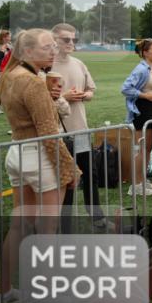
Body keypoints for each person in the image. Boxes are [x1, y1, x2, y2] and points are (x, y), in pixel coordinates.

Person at [0, 29, 79, 303]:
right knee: (47, 228)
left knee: (19, 225)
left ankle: (1, 294)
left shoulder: (11, 76)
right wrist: (70, 168)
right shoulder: (32, 82)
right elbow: (49, 134)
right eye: (47, 47)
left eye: (54, 45)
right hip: (39, 156)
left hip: (17, 152)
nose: (53, 50)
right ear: (27, 52)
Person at [50, 23, 109, 230]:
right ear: (54, 39)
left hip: (81, 129)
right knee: (67, 181)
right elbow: (40, 101)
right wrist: (64, 97)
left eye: (73, 39)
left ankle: (96, 216)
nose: (71, 43)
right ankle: (64, 227)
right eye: (66, 39)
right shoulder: (47, 67)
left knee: (90, 174)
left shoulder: (79, 63)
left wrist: (86, 95)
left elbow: (91, 89)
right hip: (58, 133)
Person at [121, 39, 152, 196]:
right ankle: (136, 185)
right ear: (145, 52)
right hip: (143, 111)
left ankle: (143, 181)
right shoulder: (140, 69)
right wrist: (145, 95)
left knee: (149, 148)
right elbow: (125, 88)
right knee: (142, 149)